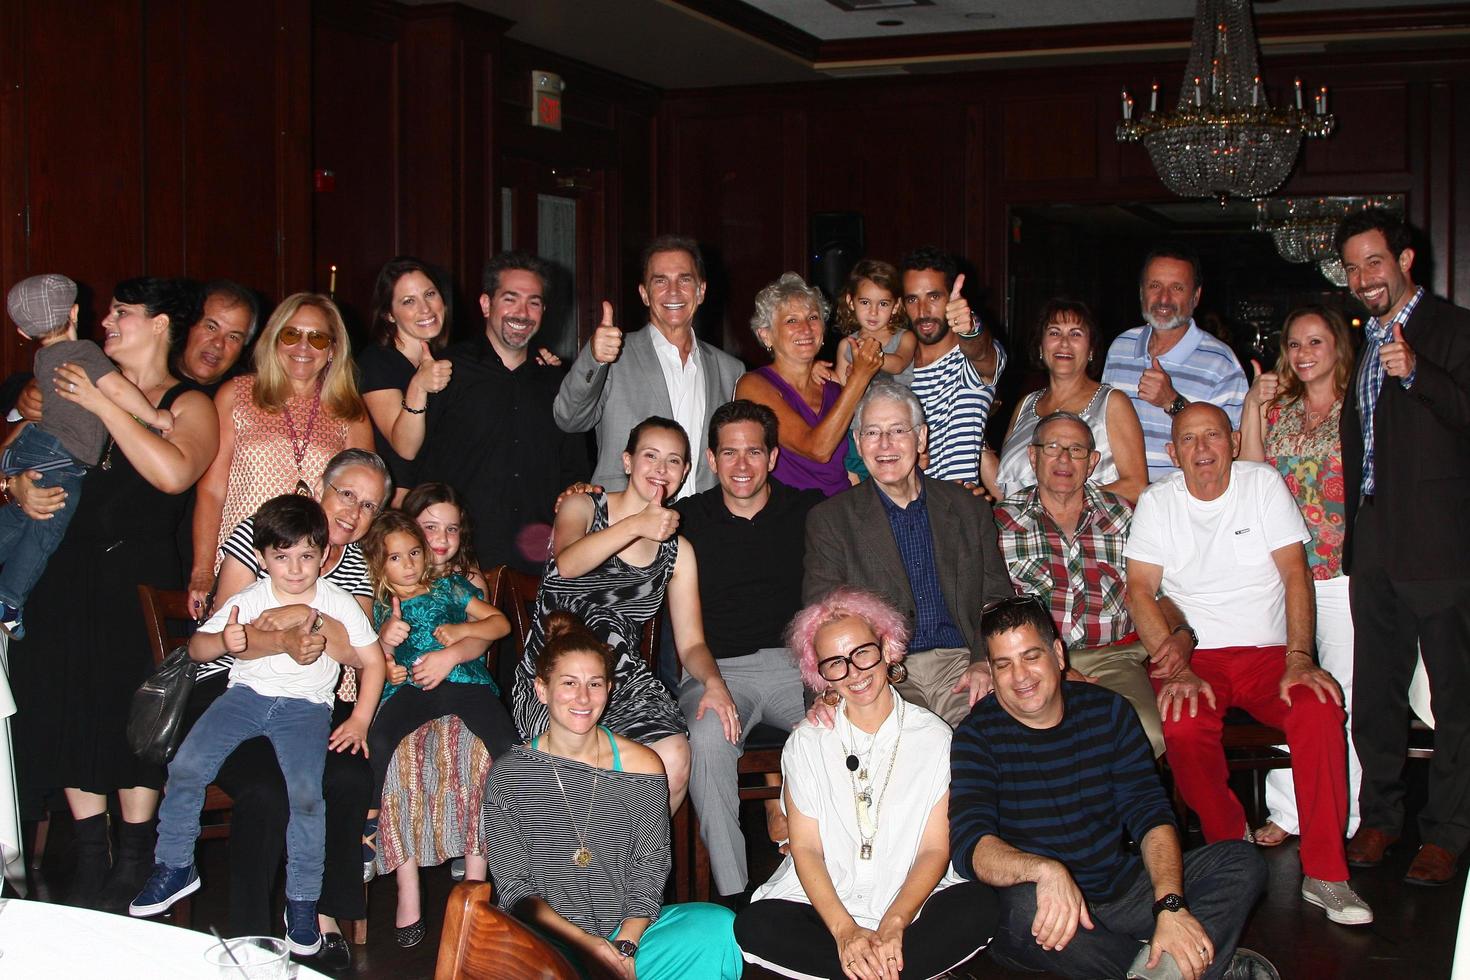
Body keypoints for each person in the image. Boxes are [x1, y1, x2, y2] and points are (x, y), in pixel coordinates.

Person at [8, 276, 217, 910]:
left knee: (133, 722)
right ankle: (91, 858)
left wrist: (106, 408)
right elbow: (14, 454)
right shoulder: (66, 378)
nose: (106, 322)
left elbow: (174, 472)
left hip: (138, 581)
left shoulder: (189, 402)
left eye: (123, 313)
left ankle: (136, 857)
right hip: (65, 575)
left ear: (161, 324)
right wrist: (13, 487)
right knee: (72, 711)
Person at [1125, 402, 1372, 926]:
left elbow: (1294, 576)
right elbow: (1141, 590)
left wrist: (1300, 657)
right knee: (1184, 724)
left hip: (1267, 655)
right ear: (1172, 453)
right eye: (1188, 441)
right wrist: (1176, 666)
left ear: (1234, 441)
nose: (1202, 450)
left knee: (1319, 708)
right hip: (1198, 657)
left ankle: (1327, 872)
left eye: (1212, 436)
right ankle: (1229, 844)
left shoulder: (1261, 486)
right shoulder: (1156, 502)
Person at [952, 595, 1272, 980]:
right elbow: (971, 845)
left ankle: (1157, 966)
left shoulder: (1108, 711)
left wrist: (1169, 905)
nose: (1020, 676)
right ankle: (1188, 965)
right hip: (1044, 906)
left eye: (1031, 656)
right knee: (1019, 909)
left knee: (1242, 860)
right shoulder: (976, 735)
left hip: (1120, 888)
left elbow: (1150, 812)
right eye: (1004, 664)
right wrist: (1045, 871)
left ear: (1057, 653)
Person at [131, 495, 384, 959]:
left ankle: (303, 903)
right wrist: (224, 640)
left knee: (307, 796)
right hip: (245, 698)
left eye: (307, 556)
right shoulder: (251, 597)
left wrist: (361, 719)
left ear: (324, 554)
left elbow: (372, 662)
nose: (293, 569)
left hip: (305, 709)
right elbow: (197, 650)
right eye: (281, 557)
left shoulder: (337, 602)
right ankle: (174, 865)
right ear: (263, 557)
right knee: (185, 765)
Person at [736, 587, 998, 980]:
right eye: (835, 663)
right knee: (754, 924)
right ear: (819, 673)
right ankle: (886, 968)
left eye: (862, 652)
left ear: (886, 647)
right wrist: (845, 932)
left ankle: (865, 968)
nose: (854, 672)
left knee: (980, 906)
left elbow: (933, 849)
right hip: (826, 907)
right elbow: (805, 849)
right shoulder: (807, 742)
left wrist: (893, 923)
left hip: (913, 904)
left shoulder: (934, 737)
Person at [202, 448, 394, 970]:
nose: (354, 512)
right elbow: (229, 633)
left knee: (351, 774)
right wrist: (299, 632)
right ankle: (247, 934)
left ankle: (320, 914)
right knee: (266, 791)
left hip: (309, 699)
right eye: (346, 495)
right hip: (233, 690)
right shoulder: (262, 531)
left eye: (370, 506)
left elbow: (357, 653)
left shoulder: (357, 565)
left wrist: (306, 618)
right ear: (319, 492)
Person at [484, 611, 742, 980]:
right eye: (569, 683)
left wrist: (624, 946)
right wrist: (590, 949)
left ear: (610, 688)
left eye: (595, 684)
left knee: (716, 927)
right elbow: (515, 891)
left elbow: (651, 869)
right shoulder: (510, 774)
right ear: (542, 689)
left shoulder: (642, 766)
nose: (583, 698)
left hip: (628, 937)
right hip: (549, 943)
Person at [1334, 208, 1470, 885]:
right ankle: (1381, 819)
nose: (1363, 278)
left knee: (1455, 696)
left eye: (1374, 263)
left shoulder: (1452, 329)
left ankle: (1447, 833)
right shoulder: (1365, 341)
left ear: (1406, 259)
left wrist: (1418, 372)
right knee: (1376, 690)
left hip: (1440, 545)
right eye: (1354, 268)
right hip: (1376, 539)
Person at [512, 417, 738, 813]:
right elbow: (567, 564)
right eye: (650, 456)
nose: (661, 469)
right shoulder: (583, 505)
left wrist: (714, 682)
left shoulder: (677, 551)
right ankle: (578, 870)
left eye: (673, 461)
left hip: (621, 680)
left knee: (672, 757)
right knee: (579, 771)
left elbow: (692, 643)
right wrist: (637, 525)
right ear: (628, 461)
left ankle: (631, 872)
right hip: (553, 677)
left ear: (685, 472)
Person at [673, 400, 821, 900]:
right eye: (729, 453)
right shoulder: (685, 519)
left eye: (754, 452)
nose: (741, 465)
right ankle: (735, 896)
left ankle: (824, 884)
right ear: (711, 460)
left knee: (843, 731)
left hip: (796, 668)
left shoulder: (805, 511)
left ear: (773, 457)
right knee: (708, 739)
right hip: (716, 669)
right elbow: (615, 518)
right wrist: (581, 498)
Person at [804, 380, 1012, 724]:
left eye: (898, 430)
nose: (884, 444)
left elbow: (997, 598)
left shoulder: (966, 508)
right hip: (879, 675)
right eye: (872, 433)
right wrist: (824, 694)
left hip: (962, 665)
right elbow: (821, 621)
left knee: (990, 737)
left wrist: (986, 661)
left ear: (921, 438)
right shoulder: (830, 521)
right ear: (857, 443)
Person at [360, 511, 517, 945]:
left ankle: (517, 835)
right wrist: (386, 648)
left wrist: (465, 630)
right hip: (414, 690)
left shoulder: (449, 586)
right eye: (396, 557)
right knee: (381, 738)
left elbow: (500, 623)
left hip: (466, 683)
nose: (409, 564)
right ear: (380, 564)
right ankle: (369, 829)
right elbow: (375, 663)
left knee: (506, 745)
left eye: (414, 552)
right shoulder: (378, 607)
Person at [1239, 307, 1362, 848]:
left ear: (1337, 347)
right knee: (1290, 694)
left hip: (1342, 575)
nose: (1304, 353)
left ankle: (1344, 814)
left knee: (1344, 694)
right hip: (1284, 577)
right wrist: (1250, 404)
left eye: (1315, 341)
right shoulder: (1280, 409)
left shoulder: (1359, 409)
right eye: (1294, 343)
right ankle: (1289, 811)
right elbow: (1249, 472)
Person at [0, 274, 173, 635]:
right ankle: (9, 600)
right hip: (59, 458)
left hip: (34, 448)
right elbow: (118, 391)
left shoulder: (45, 357)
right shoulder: (85, 354)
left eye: (120, 311)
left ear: (22, 333)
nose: (107, 321)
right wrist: (155, 416)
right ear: (75, 313)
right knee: (44, 532)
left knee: (21, 521)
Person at [992, 411, 1165, 757]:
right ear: (1033, 455)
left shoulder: (1124, 515)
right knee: (1033, 742)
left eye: (1076, 450)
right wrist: (1058, 669)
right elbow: (995, 609)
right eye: (1053, 447)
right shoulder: (1000, 521)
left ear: (1092, 462)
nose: (1064, 459)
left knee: (1143, 732)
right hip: (1032, 663)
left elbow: (1151, 594)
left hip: (1113, 660)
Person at [189, 292, 373, 612]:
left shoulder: (350, 413)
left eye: (317, 338)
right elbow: (212, 491)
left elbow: (362, 504)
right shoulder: (236, 394)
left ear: (332, 350)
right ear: (275, 339)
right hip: (242, 567)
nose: (303, 347)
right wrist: (203, 572)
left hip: (315, 575)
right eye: (292, 334)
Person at [409, 250, 587, 572]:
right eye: (510, 298)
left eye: (534, 302)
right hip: (458, 561)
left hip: (537, 563)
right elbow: (416, 464)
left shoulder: (557, 384)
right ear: (486, 304)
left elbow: (574, 473)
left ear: (544, 310)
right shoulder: (447, 372)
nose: (522, 312)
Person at [554, 235, 744, 500]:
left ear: (701, 291)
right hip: (626, 524)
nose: (674, 290)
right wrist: (594, 359)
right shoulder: (614, 356)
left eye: (684, 279)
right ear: (644, 293)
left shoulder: (730, 371)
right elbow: (569, 418)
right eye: (660, 280)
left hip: (701, 525)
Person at [1101, 244, 1248, 480]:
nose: (1164, 299)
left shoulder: (1221, 363)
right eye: (1155, 286)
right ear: (1141, 292)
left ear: (1195, 296)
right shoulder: (1121, 347)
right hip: (1118, 499)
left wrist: (1172, 401)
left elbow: (1231, 449)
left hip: (1181, 503)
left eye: (1177, 288)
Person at [984, 298, 1147, 503]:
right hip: (1022, 532)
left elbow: (1136, 486)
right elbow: (1004, 491)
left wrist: (1062, 503)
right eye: (1054, 332)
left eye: (1075, 334)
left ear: (1091, 350)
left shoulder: (1112, 402)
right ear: (1041, 347)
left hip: (1088, 531)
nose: (1064, 342)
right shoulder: (1025, 404)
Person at [735, 271, 880, 496]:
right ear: (766, 335)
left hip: (841, 513)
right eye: (791, 320)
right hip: (789, 519)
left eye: (813, 317)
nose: (806, 328)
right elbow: (817, 449)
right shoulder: (754, 385)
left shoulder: (836, 388)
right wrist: (860, 378)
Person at [900, 246, 1006, 484]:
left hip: (955, 510)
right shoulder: (895, 363)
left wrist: (970, 331)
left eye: (934, 297)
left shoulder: (966, 363)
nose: (923, 311)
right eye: (912, 299)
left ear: (952, 297)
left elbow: (982, 354)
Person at [358, 257, 454, 498]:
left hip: (446, 501)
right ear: (389, 314)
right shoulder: (376, 361)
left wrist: (537, 361)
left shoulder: (452, 358)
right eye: (408, 301)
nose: (425, 308)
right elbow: (405, 448)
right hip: (403, 504)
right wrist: (418, 387)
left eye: (430, 294)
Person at [834, 259, 914, 387]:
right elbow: (839, 385)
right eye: (865, 302)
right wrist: (816, 372)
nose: (873, 312)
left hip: (898, 404)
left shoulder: (905, 337)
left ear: (895, 306)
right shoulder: (846, 345)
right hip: (862, 407)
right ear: (850, 302)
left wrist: (873, 355)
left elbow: (898, 365)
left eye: (883, 304)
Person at [174, 279, 258, 390]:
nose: (218, 343)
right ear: (189, 324)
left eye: (233, 337)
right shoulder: (151, 380)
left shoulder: (244, 395)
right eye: (211, 327)